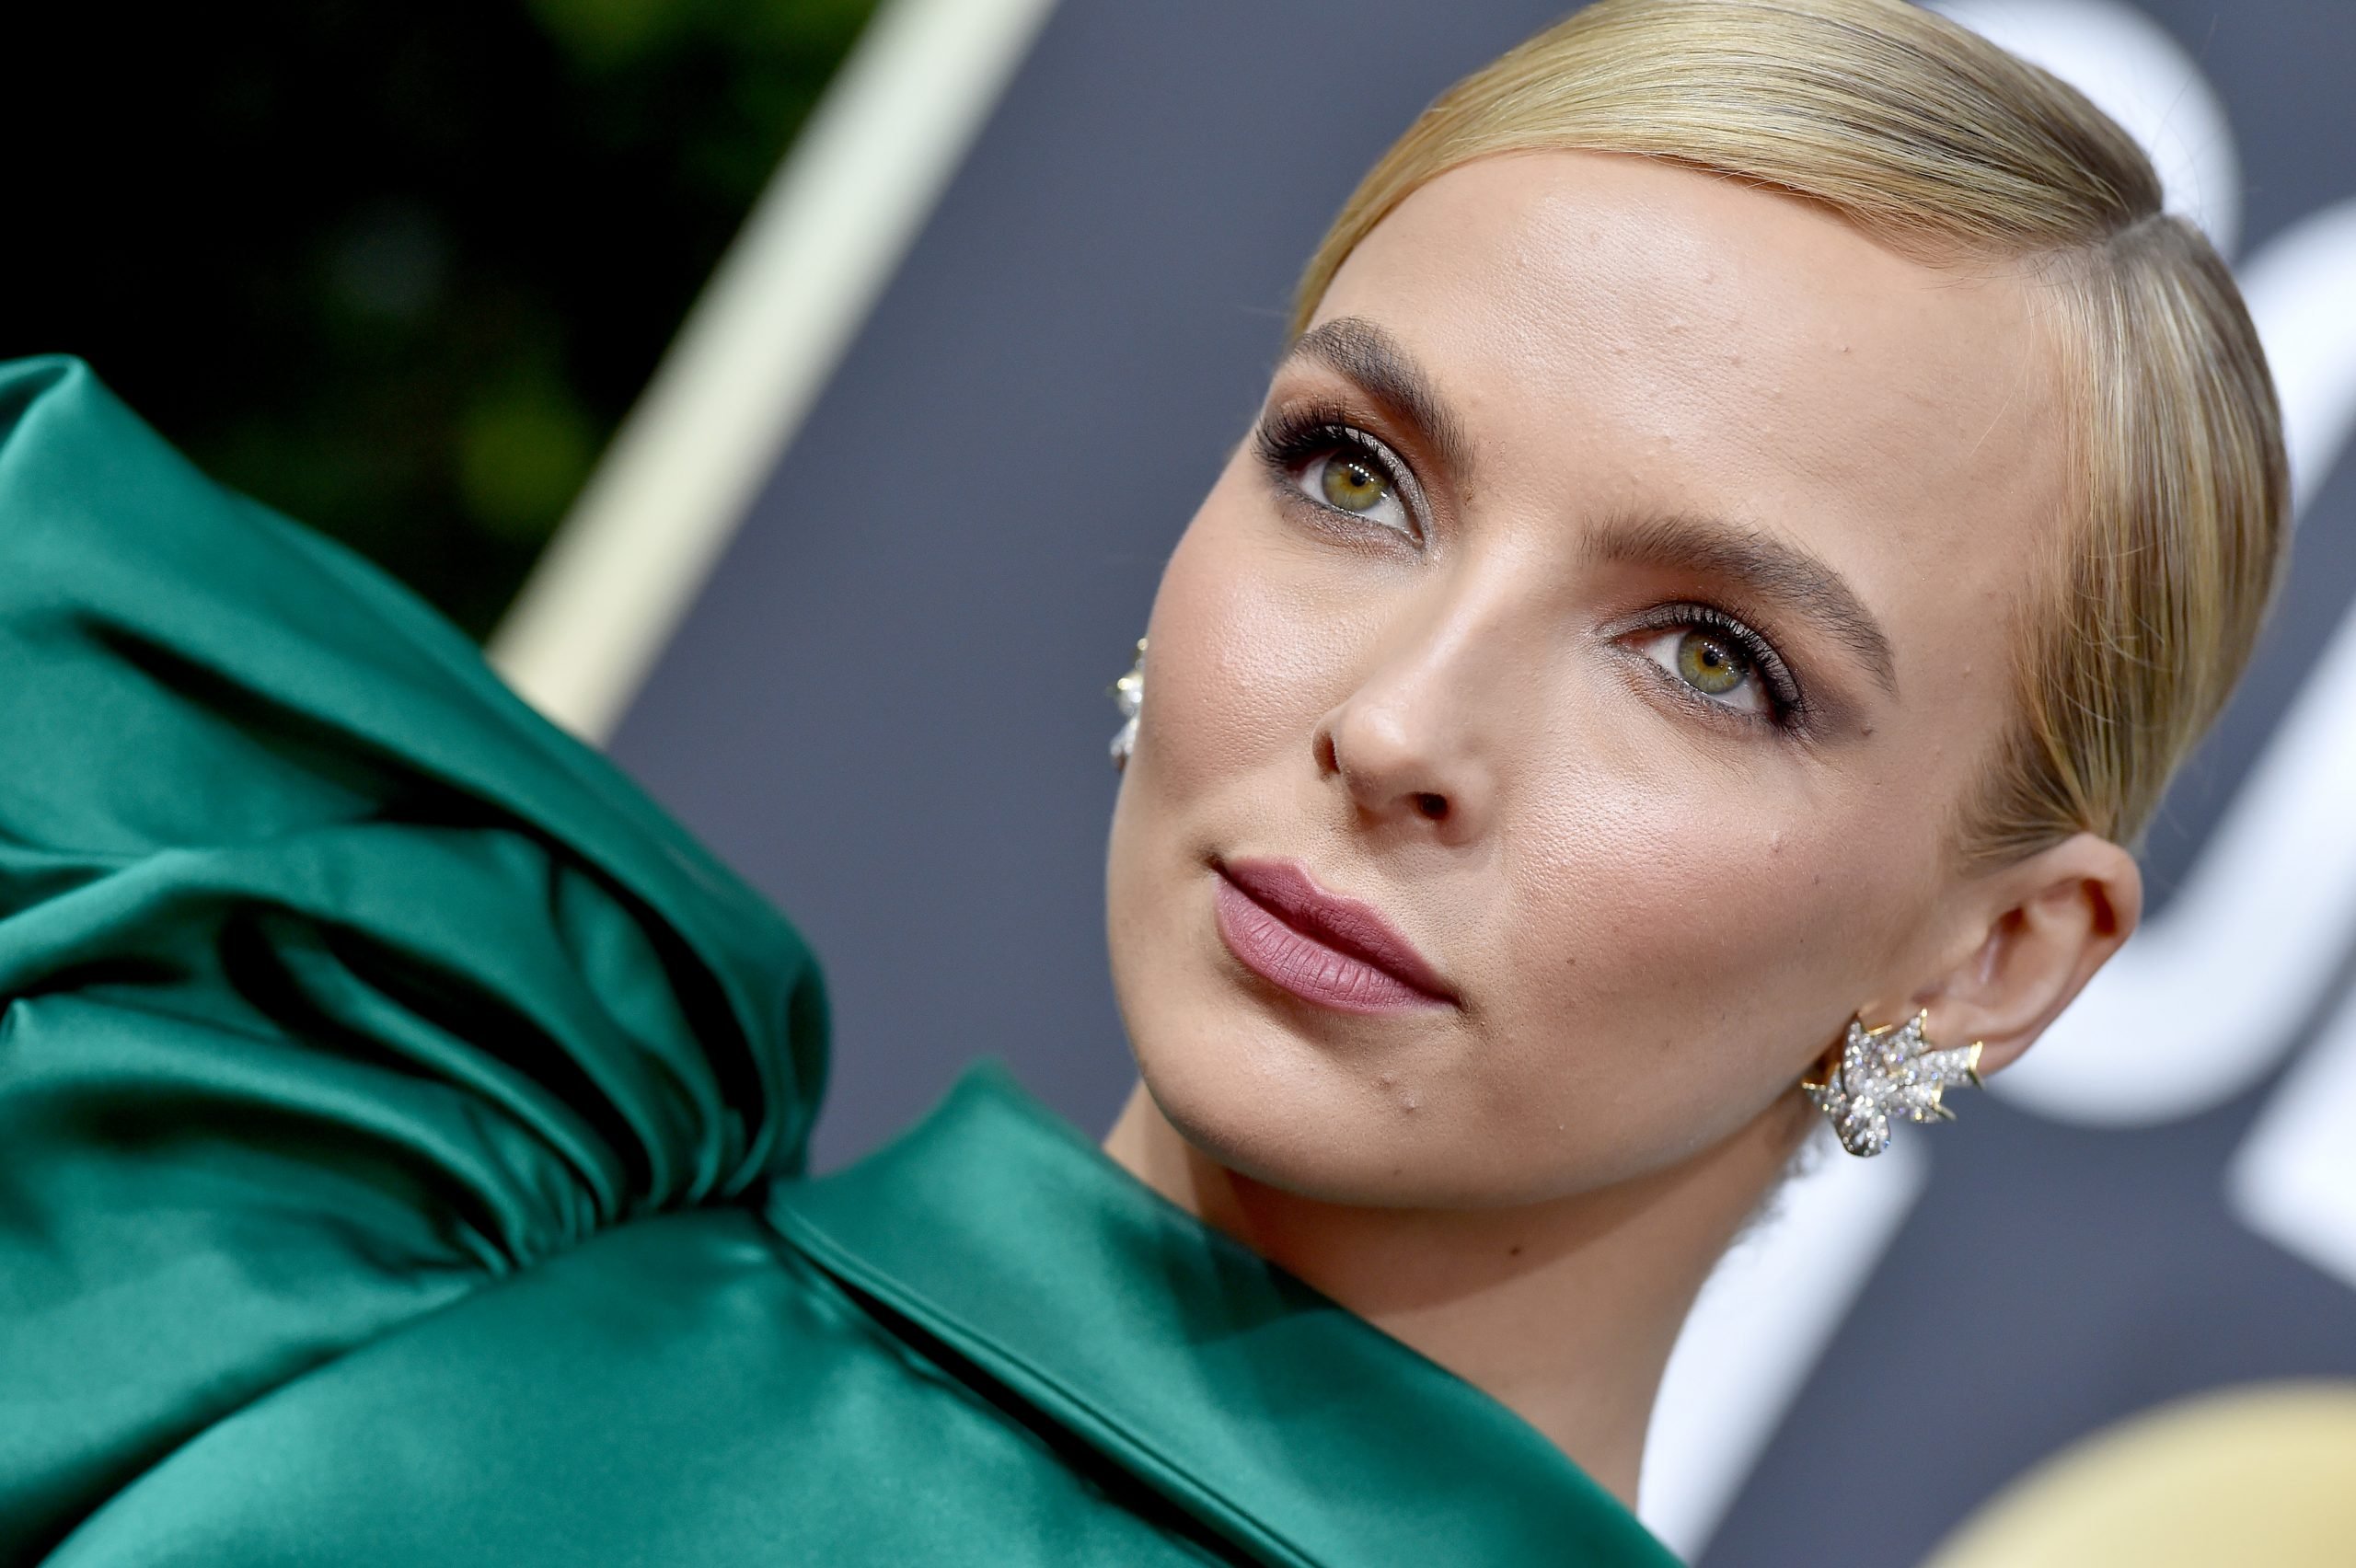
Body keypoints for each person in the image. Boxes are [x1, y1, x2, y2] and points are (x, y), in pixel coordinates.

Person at [0, 0, 2284, 1562]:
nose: (1397, 727)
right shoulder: (340, 1122)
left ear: (1994, 958)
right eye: (1352, 476)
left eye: (1707, 661)